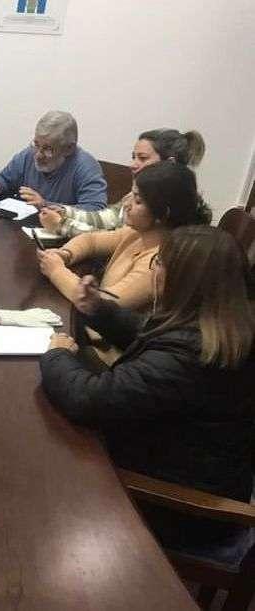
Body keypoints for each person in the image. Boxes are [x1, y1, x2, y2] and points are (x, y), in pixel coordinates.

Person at [40, 226, 254, 552]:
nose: (154, 270)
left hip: (177, 509)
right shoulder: (224, 326)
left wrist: (56, 355)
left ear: (181, 280)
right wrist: (98, 309)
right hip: (190, 472)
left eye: (159, 263)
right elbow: (150, 334)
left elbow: (87, 400)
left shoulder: (187, 357)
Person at [37, 161, 211, 312]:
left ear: (162, 214)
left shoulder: (158, 263)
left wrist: (56, 270)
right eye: (130, 195)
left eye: (138, 201)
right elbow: (92, 240)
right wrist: (65, 254)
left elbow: (100, 304)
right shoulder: (138, 233)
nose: (126, 204)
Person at [39, 128, 206, 237]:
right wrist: (65, 212)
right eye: (134, 157)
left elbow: (114, 243)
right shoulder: (136, 194)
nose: (133, 165)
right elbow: (107, 218)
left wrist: (62, 225)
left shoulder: (163, 208)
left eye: (142, 158)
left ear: (169, 164)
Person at [0, 110, 107, 211]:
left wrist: (45, 205)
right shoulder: (28, 154)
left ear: (69, 148)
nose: (38, 155)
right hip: (23, 230)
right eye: (36, 144)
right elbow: (5, 179)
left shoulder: (86, 167)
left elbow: (95, 210)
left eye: (48, 149)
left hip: (63, 235)